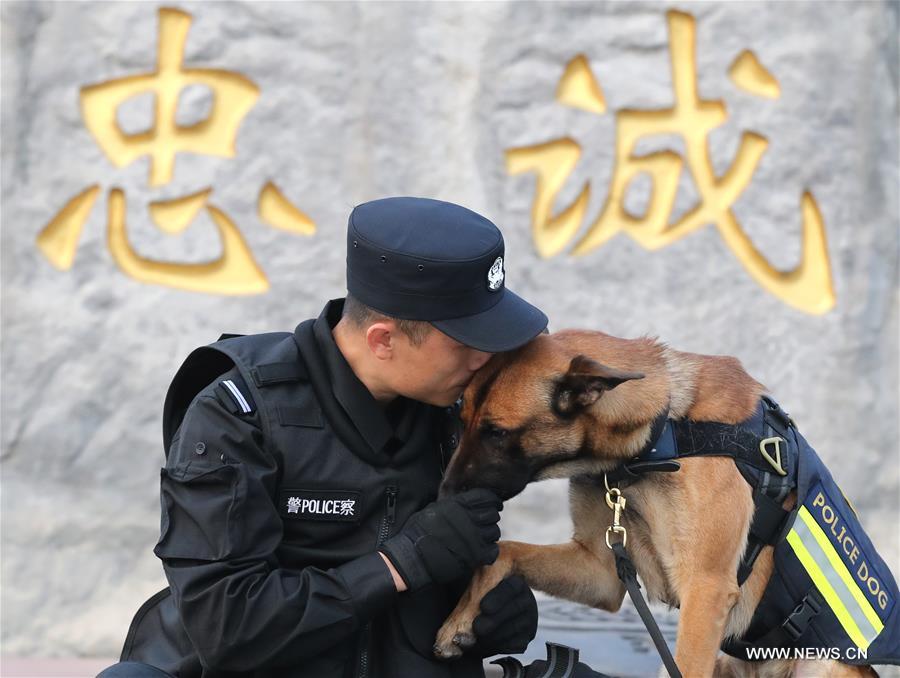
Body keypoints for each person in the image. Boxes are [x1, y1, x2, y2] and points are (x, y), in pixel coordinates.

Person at [99, 197, 547, 678]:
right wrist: (399, 563)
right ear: (382, 340)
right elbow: (228, 627)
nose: (487, 358)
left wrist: (496, 608)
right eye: (465, 343)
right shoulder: (238, 416)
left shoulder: (458, 413)